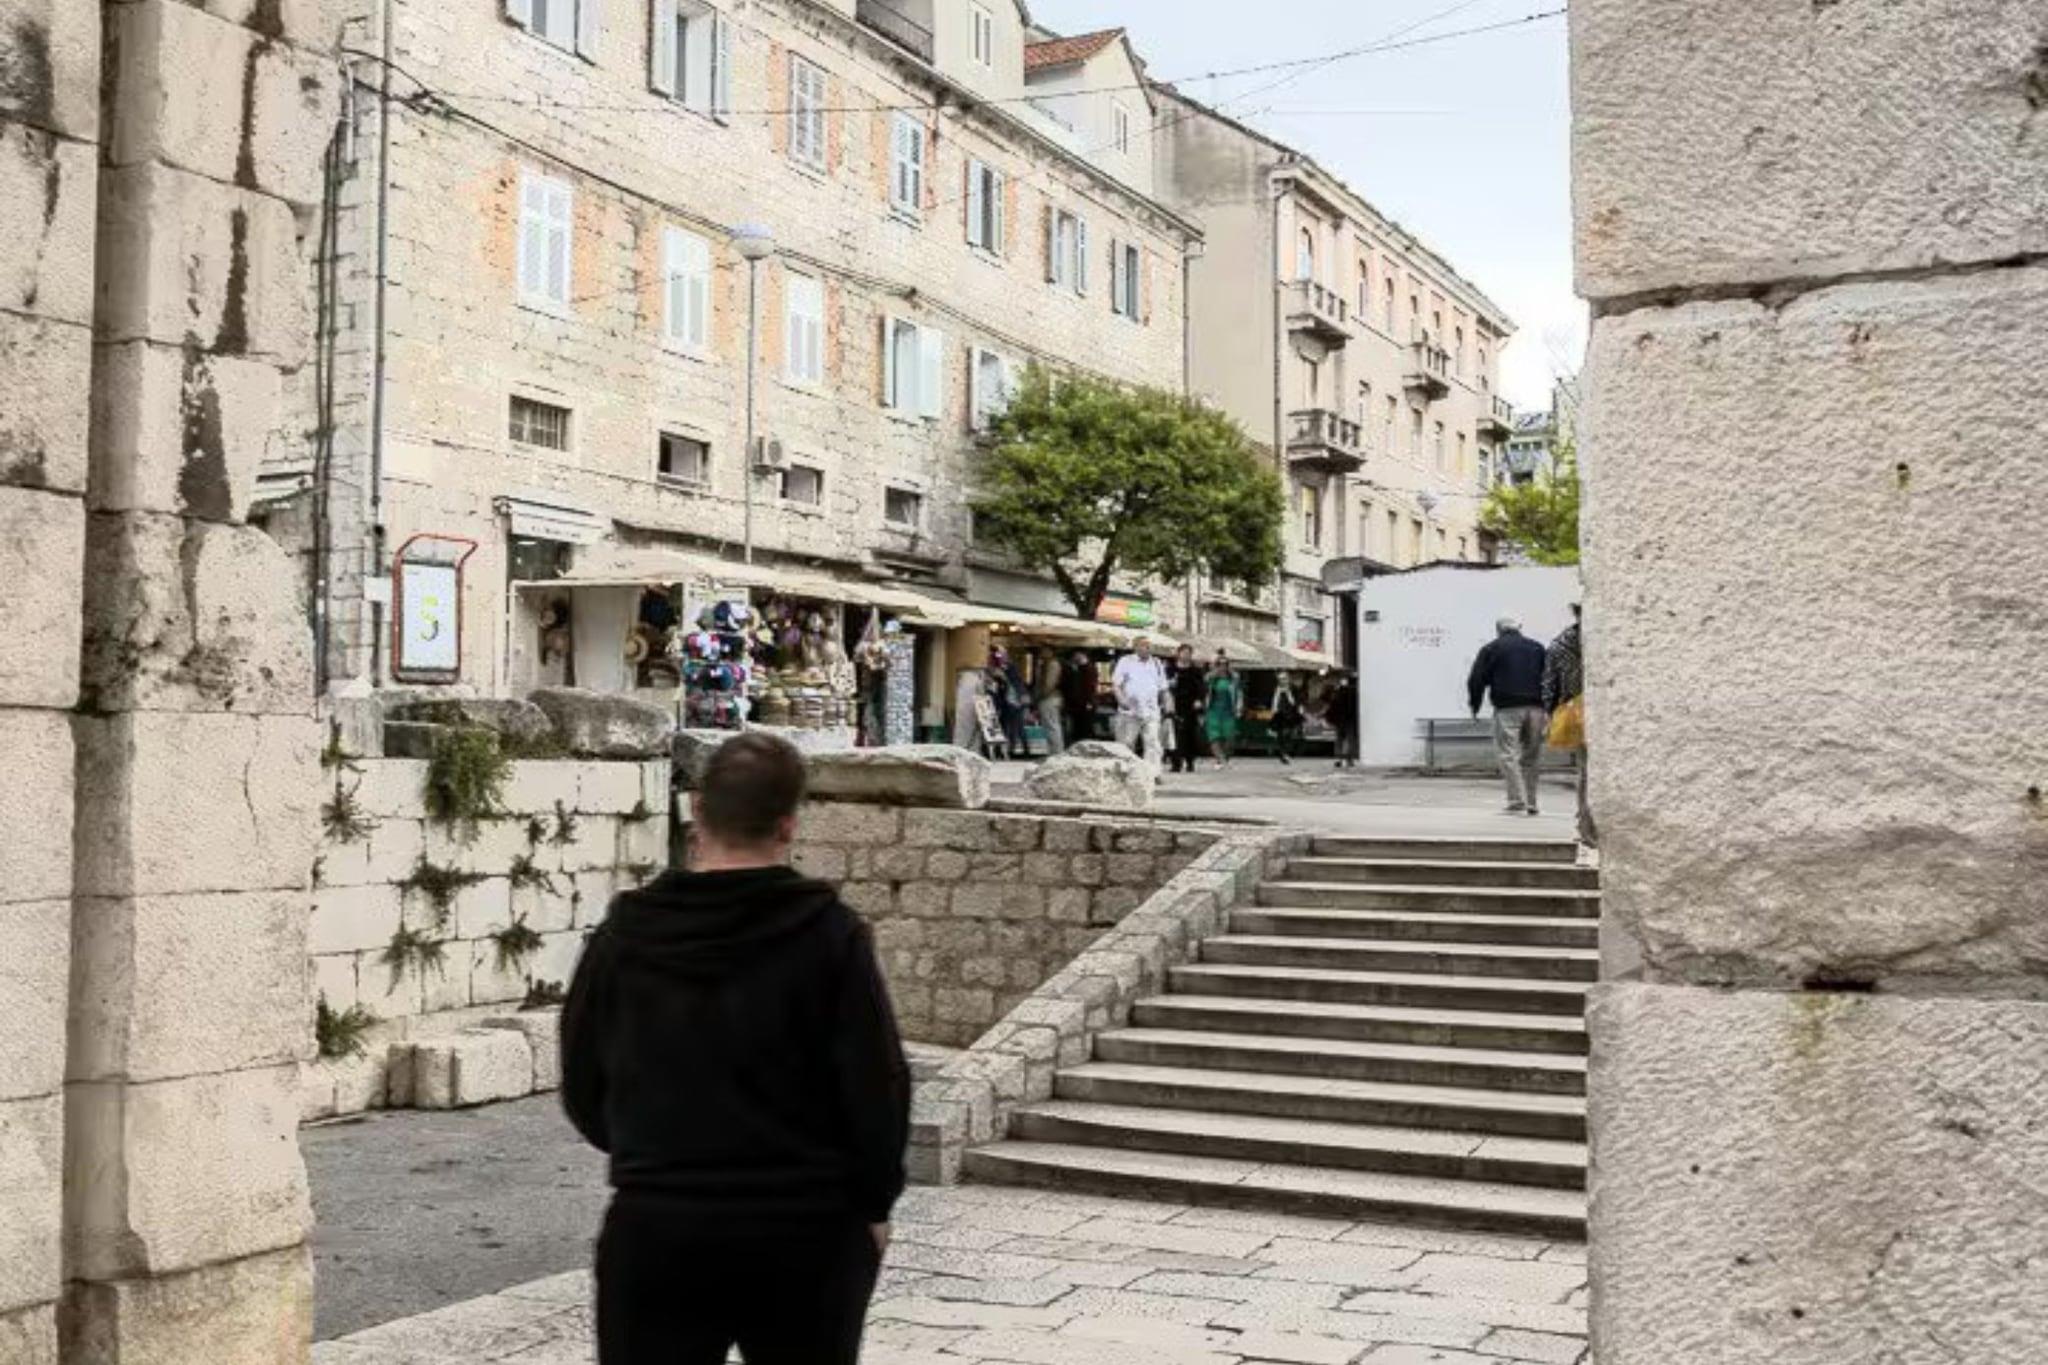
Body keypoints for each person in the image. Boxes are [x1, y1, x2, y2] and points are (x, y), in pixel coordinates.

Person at [561, 732, 910, 1365]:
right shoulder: (830, 936)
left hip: (660, 1223)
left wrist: (657, 1153)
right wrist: (873, 1203)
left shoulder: (625, 937)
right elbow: (877, 1086)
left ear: (697, 812)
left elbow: (583, 1081)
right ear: (788, 826)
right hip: (806, 1228)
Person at [1468, 615, 1549, 815]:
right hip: (1536, 708)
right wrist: (1550, 707)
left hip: (1507, 708)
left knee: (1508, 755)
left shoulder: (1491, 648)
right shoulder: (1538, 648)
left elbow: (1476, 679)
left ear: (1498, 630)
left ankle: (1517, 801)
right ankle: (1531, 802)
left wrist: (1475, 706)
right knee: (1532, 755)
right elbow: (1550, 677)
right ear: (1519, 628)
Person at [1544, 603, 1596, 847]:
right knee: (1590, 770)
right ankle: (1587, 823)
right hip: (1596, 711)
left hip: (1575, 712)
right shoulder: (1601, 639)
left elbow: (1549, 685)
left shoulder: (1559, 645)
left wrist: (1551, 713)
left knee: (1585, 771)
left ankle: (1585, 823)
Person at [1110, 636, 1169, 763]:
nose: (1147, 648)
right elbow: (1116, 685)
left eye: (1149, 645)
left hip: (1151, 710)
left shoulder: (1157, 663)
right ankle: (1126, 769)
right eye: (1143, 645)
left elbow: (1163, 688)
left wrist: (1168, 704)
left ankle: (1152, 770)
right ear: (1135, 647)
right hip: (1130, 710)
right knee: (1126, 743)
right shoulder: (1126, 661)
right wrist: (1121, 699)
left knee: (1153, 743)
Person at [1168, 644, 1208, 774]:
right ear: (1178, 653)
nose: (1186, 655)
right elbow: (1164, 685)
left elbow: (1202, 688)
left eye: (1188, 653)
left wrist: (1199, 700)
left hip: (1190, 705)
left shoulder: (1195, 671)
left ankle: (1190, 761)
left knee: (1190, 734)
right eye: (1184, 652)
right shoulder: (1170, 669)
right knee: (1174, 734)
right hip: (1174, 704)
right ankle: (1176, 762)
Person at [1204, 652, 1242, 769]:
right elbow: (1204, 687)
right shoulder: (1211, 678)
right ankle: (1220, 760)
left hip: (1228, 710)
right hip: (1213, 710)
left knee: (1229, 737)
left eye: (1225, 664)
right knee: (1214, 736)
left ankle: (1224, 758)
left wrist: (1239, 707)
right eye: (1219, 664)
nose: (1222, 666)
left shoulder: (1234, 678)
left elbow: (1239, 694)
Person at [1059, 650, 1096, 748]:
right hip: (1078, 703)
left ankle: (1084, 746)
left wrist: (1089, 702)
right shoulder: (1081, 668)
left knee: (1083, 728)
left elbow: (1089, 687)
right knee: (1079, 728)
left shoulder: (1087, 669)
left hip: (1083, 703)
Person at [1034, 649, 1067, 757]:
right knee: (1049, 725)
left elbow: (1049, 684)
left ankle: (1057, 751)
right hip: (1048, 698)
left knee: (1051, 725)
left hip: (1049, 698)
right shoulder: (1045, 664)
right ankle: (1053, 750)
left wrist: (1040, 695)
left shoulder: (1052, 665)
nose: (1041, 652)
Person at [1270, 673, 1305, 764]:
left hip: (1290, 715)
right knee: (1280, 735)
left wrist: (1289, 694)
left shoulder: (1293, 689)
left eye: (1284, 679)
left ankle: (1287, 753)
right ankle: (1283, 753)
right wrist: (1273, 711)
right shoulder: (1276, 689)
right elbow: (1273, 701)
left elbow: (1297, 701)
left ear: (1288, 679)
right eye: (1281, 679)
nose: (1283, 681)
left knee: (1289, 734)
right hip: (1279, 715)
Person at [1329, 673, 1360, 769]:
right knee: (1350, 739)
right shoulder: (1355, 693)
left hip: (1340, 719)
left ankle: (1339, 759)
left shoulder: (1337, 693)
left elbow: (1333, 706)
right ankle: (1349, 759)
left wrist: (1333, 718)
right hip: (1350, 719)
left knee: (1339, 739)